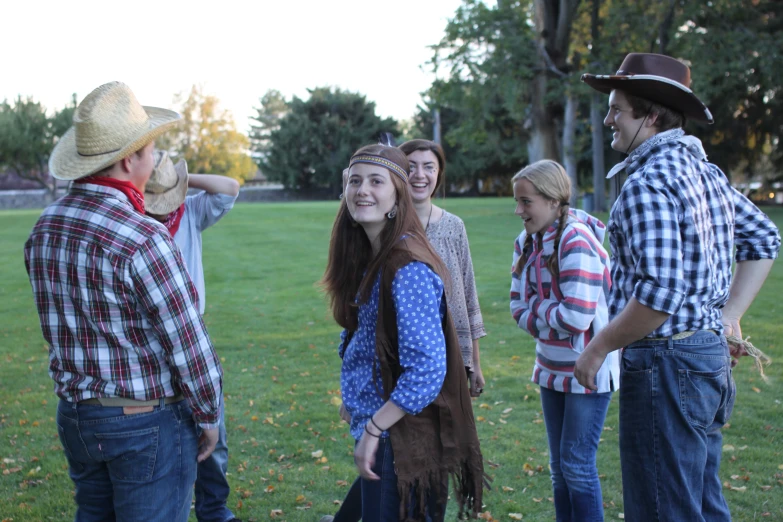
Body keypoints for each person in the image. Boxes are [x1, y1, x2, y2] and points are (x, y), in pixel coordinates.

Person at [575, 53, 781, 521]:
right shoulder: (705, 175)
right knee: (700, 503)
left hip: (667, 365)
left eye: (616, 110)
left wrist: (598, 348)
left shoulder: (648, 183)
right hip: (704, 360)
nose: (608, 119)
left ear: (649, 117)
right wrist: (727, 317)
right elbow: (764, 239)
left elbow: (659, 296)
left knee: (663, 508)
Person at [24, 81, 223, 522]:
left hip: (77, 415)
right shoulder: (142, 236)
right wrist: (209, 415)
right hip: (143, 421)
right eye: (151, 150)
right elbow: (187, 342)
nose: (154, 159)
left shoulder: (45, 226)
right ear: (130, 158)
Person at [326, 138, 488, 522]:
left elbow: (428, 370)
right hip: (380, 425)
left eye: (376, 182)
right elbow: (365, 336)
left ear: (398, 199)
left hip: (399, 436)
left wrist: (374, 428)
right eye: (355, 181)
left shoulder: (406, 267)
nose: (362, 190)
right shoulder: (374, 256)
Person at [509, 160, 617, 521]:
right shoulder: (525, 242)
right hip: (550, 368)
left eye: (526, 202)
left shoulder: (576, 240)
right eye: (517, 201)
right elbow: (515, 307)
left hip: (588, 371)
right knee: (559, 469)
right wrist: (544, 318)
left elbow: (577, 317)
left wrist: (537, 307)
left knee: (577, 466)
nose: (518, 210)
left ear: (555, 201)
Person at [144, 151, 240, 522]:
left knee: (214, 427)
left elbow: (230, 188)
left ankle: (214, 509)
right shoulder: (134, 222)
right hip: (148, 338)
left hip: (192, 330)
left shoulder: (190, 211)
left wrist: (179, 179)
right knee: (164, 432)